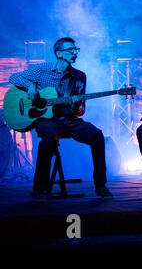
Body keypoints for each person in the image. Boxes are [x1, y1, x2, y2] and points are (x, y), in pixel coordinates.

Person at [9, 37, 113, 201]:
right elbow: (14, 78)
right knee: (48, 138)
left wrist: (75, 106)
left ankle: (101, 185)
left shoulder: (79, 77)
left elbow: (81, 111)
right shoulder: (43, 69)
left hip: (69, 120)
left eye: (75, 49)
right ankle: (39, 189)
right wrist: (30, 86)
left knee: (97, 135)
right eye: (70, 49)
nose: (74, 52)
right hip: (47, 121)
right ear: (59, 53)